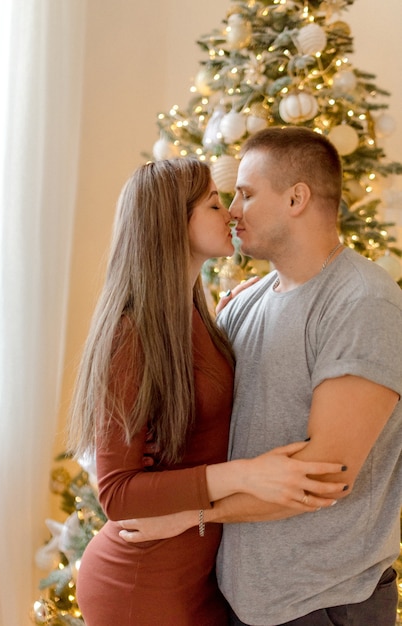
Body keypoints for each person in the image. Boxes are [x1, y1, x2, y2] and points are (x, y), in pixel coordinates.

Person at [118, 129, 402, 626]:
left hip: (324, 604)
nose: (231, 210)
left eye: (246, 193)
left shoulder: (363, 303)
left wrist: (194, 514)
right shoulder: (245, 302)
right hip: (241, 600)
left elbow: (324, 478)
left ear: (296, 198)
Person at [67, 156, 345, 626]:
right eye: (215, 204)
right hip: (142, 582)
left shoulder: (198, 316)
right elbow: (116, 494)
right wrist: (243, 476)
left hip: (199, 579)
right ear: (174, 222)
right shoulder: (130, 334)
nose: (232, 212)